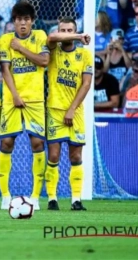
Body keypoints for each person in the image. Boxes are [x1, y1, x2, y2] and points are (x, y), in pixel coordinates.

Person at [0, 1, 49, 211]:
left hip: (35, 100)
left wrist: (20, 48)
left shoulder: (40, 36)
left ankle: (35, 196)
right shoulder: (5, 39)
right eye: (19, 19)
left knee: (37, 143)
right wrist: (15, 95)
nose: (22, 23)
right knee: (6, 143)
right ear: (14, 21)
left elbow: (44, 61)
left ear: (32, 21)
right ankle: (5, 196)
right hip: (12, 100)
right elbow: (5, 69)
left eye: (26, 19)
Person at [45, 18, 93, 211]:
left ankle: (76, 200)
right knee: (53, 155)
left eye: (69, 30)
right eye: (63, 30)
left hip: (76, 112)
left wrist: (72, 109)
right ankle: (52, 199)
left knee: (75, 156)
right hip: (54, 110)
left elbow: (86, 84)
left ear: (75, 30)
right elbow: (51, 37)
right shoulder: (52, 50)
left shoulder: (84, 55)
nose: (65, 33)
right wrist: (79, 36)